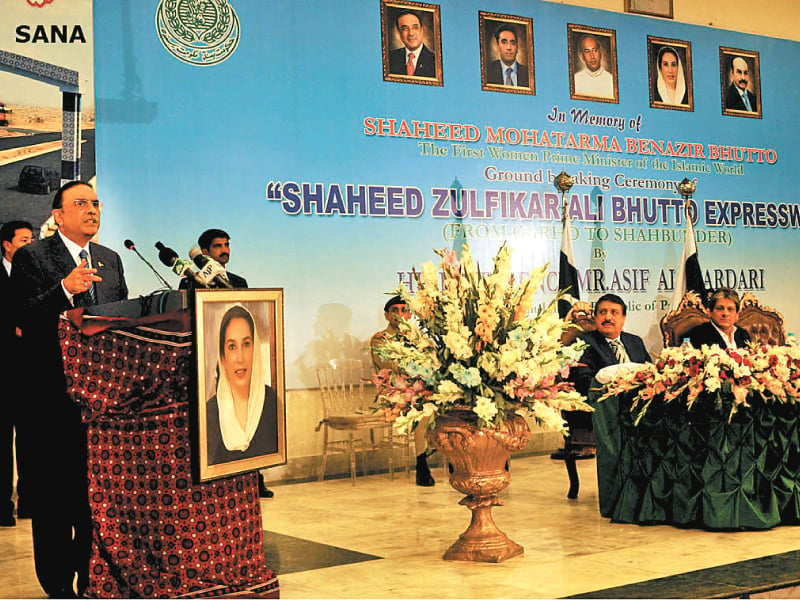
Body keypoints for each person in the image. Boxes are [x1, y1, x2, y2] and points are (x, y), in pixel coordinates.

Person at [11, 180, 128, 598]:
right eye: (80, 204)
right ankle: (58, 585)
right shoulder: (32, 257)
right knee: (54, 502)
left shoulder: (112, 260)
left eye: (96, 203)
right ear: (58, 216)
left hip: (102, 404)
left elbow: (123, 323)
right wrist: (65, 289)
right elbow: (21, 315)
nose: (92, 210)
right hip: (49, 401)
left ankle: (91, 577)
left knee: (93, 501)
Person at [370, 295, 434, 486]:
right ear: (387, 316)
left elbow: (431, 358)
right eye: (394, 311)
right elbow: (390, 364)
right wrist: (416, 365)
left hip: (419, 387)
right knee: (422, 411)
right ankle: (421, 464)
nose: (400, 315)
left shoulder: (418, 338)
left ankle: (455, 459)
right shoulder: (380, 339)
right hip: (394, 391)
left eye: (404, 310)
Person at [206, 304, 278, 465]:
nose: (240, 358)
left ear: (255, 348)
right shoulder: (210, 412)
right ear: (222, 355)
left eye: (246, 344)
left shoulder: (272, 403)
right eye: (232, 347)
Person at [0, 220, 34, 527]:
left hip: (30, 370)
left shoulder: (35, 275)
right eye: (24, 240)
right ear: (7, 244)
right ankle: (1, 506)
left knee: (30, 439)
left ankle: (29, 502)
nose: (30, 244)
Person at [569, 293, 650, 397]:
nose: (608, 317)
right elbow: (583, 382)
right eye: (602, 312)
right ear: (595, 317)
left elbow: (649, 371)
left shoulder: (635, 341)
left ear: (623, 318)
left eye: (614, 312)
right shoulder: (583, 343)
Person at [179, 228, 247, 289]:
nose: (224, 250)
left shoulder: (240, 283)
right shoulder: (189, 283)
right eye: (218, 246)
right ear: (205, 252)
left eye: (226, 245)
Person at [686, 288, 752, 349]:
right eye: (720, 308)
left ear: (737, 315)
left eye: (730, 309)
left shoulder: (743, 335)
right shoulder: (698, 336)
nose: (725, 313)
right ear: (709, 312)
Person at [388, 9, 436, 78]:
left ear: (421, 30)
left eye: (415, 27)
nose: (411, 33)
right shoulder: (390, 58)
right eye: (405, 29)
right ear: (399, 33)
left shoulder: (435, 61)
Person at [573, 34, 614, 99]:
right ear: (581, 56)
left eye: (595, 50)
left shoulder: (611, 80)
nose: (592, 56)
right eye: (587, 52)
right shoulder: (575, 80)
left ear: (601, 52)